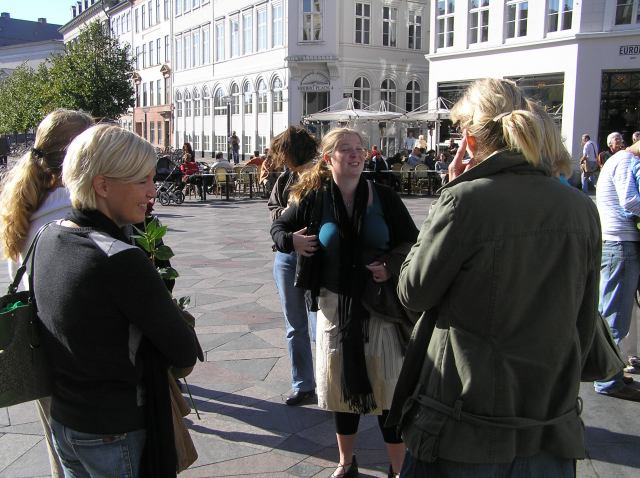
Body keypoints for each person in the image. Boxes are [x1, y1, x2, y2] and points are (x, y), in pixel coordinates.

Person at [392, 78, 601, 477]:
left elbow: (412, 291)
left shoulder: (464, 201)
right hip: (548, 427)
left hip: (465, 428)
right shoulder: (580, 207)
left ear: (470, 141)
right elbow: (585, 318)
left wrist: (448, 195)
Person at [32, 124, 200, 477]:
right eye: (141, 180)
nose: (152, 191)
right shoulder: (119, 258)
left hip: (67, 423)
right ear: (103, 185)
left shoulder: (49, 235)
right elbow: (184, 352)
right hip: (115, 431)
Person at [271, 127, 418, 478]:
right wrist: (292, 241)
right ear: (328, 158)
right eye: (346, 149)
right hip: (334, 305)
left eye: (359, 149)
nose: (355, 155)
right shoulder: (315, 197)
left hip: (378, 306)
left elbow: (413, 241)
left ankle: (398, 468)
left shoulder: (383, 196)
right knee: (340, 389)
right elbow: (278, 229)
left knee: (388, 387)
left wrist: (390, 265)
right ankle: (345, 462)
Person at [0, 108, 94, 478]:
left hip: (37, 348)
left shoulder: (26, 202)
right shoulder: (75, 209)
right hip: (76, 354)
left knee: (60, 453)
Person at [267, 126, 319, 406]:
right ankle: (303, 385)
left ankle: (327, 382)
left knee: (319, 325)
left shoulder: (320, 176)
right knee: (294, 325)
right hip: (286, 256)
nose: (280, 159)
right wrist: (285, 215)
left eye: (282, 152)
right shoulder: (285, 178)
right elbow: (273, 210)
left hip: (314, 256)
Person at [593, 140, 640, 401]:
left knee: (610, 313)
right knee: (615, 317)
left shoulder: (620, 160)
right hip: (620, 244)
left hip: (616, 244)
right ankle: (608, 379)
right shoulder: (626, 161)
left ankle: (610, 372)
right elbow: (630, 200)